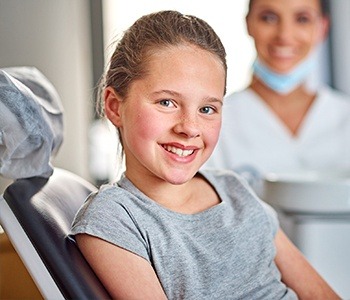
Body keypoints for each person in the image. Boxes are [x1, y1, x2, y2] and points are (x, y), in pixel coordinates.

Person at [70, 10, 340, 299]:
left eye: (207, 109)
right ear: (113, 106)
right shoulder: (115, 219)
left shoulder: (234, 189)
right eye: (166, 102)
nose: (189, 128)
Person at [204, 0, 350, 179]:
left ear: (323, 27)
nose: (284, 35)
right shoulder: (214, 121)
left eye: (302, 19)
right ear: (249, 23)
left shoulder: (345, 117)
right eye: (268, 18)